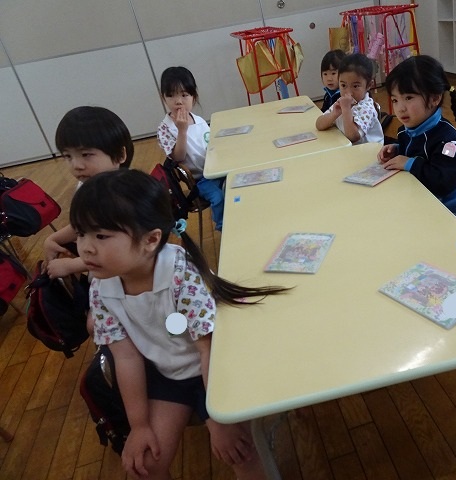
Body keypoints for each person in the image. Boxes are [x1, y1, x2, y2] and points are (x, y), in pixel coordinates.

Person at [71, 169, 290, 480]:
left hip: (215, 369)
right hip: (167, 374)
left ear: (150, 240)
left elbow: (208, 349)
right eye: (81, 234)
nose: (86, 248)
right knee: (146, 467)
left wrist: (220, 418)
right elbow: (126, 357)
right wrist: (139, 426)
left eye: (101, 236)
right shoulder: (100, 286)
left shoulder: (178, 274)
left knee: (240, 453)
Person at [43, 106, 134, 278]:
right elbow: (84, 223)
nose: (76, 165)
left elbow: (124, 252)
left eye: (86, 154)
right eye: (68, 156)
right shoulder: (88, 185)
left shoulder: (124, 197)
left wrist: (72, 265)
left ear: (120, 155)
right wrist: (53, 239)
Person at [377, 55, 456, 219]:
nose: (400, 108)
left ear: (434, 98)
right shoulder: (407, 130)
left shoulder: (449, 143)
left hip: (444, 214)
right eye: (395, 100)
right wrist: (397, 150)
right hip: (415, 199)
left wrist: (409, 162)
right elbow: (419, 152)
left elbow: (442, 182)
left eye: (408, 98)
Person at [157, 66, 225, 231]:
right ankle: (223, 226)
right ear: (163, 98)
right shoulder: (165, 128)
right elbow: (178, 158)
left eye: (184, 95)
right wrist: (182, 131)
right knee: (218, 197)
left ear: (194, 96)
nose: (178, 101)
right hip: (201, 180)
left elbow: (211, 144)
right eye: (171, 95)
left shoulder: (199, 120)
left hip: (217, 170)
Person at [315, 53, 383, 145]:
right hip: (348, 149)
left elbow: (353, 137)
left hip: (370, 152)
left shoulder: (367, 108)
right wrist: (334, 114)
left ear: (368, 85)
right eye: (343, 85)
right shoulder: (342, 102)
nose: (348, 92)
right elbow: (319, 124)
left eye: (355, 86)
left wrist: (346, 110)